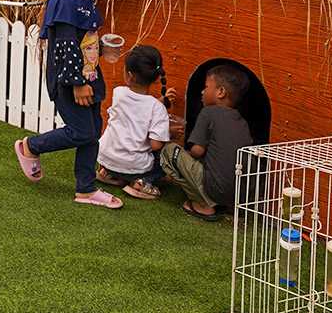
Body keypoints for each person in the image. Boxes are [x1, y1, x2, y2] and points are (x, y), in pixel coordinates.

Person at [13, 0, 121, 209]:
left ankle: (86, 189)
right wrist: (77, 83)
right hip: (71, 82)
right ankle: (31, 146)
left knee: (92, 132)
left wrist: (101, 47)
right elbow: (65, 46)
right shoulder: (67, 4)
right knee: (81, 131)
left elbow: (82, 41)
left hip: (89, 78)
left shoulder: (84, 3)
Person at [160, 64, 253, 222]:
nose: (202, 91)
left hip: (215, 189)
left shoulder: (208, 112)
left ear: (221, 92)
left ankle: (202, 204)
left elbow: (197, 151)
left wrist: (184, 154)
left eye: (206, 87)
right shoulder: (242, 121)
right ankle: (225, 205)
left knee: (169, 150)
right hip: (240, 195)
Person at [96, 44, 171, 201]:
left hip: (106, 159)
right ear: (157, 77)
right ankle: (144, 182)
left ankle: (106, 173)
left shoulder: (118, 94)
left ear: (129, 75)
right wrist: (169, 132)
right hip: (134, 168)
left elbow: (136, 109)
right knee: (166, 153)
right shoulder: (157, 108)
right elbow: (156, 145)